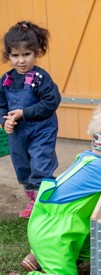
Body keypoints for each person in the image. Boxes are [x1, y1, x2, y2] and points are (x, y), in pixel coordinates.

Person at [19, 104, 101, 274]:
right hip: (54, 235)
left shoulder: (86, 158)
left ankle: (37, 256)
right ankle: (42, 259)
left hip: (48, 223)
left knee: (99, 242)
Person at [0, 21, 61, 218]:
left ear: (36, 53)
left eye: (26, 54)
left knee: (40, 164)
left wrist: (24, 113)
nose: (21, 61)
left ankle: (44, 201)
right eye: (15, 55)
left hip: (41, 130)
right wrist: (4, 121)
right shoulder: (6, 80)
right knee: (23, 167)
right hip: (18, 133)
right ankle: (32, 198)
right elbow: (1, 105)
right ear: (8, 55)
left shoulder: (40, 78)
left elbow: (51, 101)